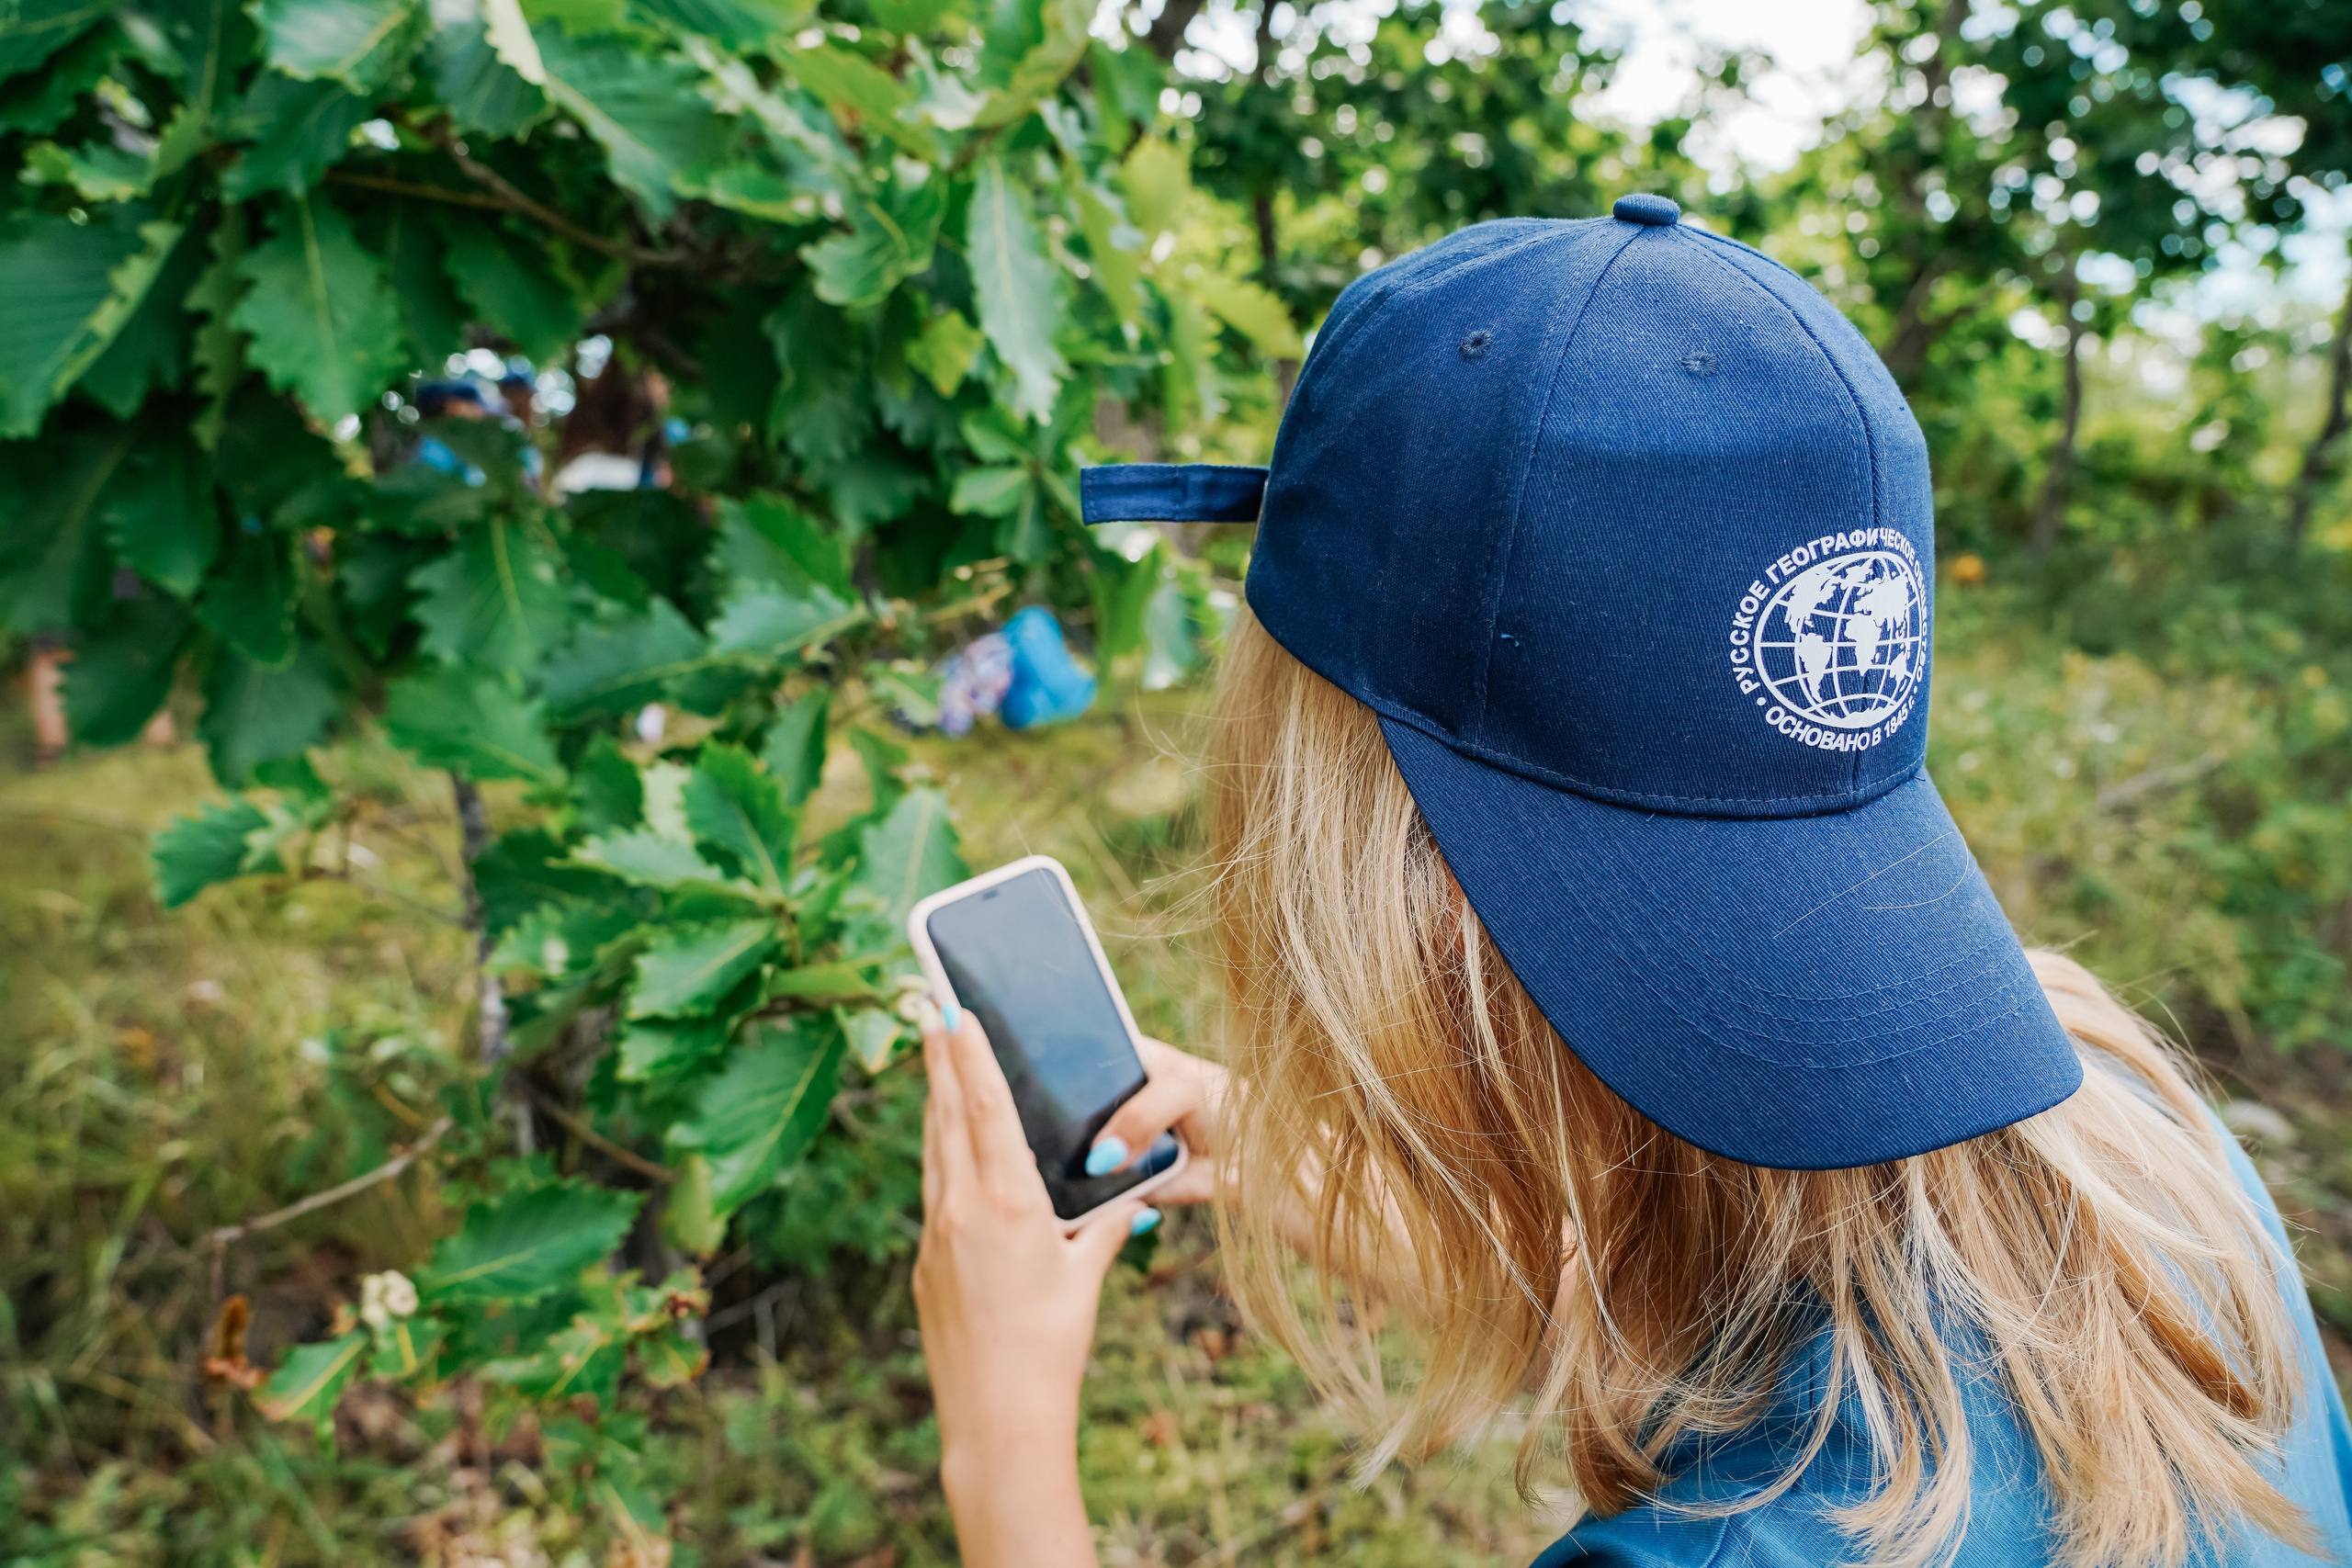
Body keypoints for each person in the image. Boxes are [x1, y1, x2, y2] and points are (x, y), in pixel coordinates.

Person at [911, 197, 2352, 1567]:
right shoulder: (2123, 1133)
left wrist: (1005, 1454)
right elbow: (1748, 1344)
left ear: (1377, 861)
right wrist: (1314, 1179)